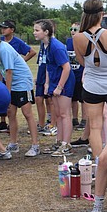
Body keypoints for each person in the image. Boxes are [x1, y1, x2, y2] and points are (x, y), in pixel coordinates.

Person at [73, 0, 107, 158]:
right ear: (101, 14)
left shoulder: (78, 37)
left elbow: (82, 61)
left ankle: (99, 160)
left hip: (92, 86)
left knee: (95, 126)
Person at [0, 21, 40, 157]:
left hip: (22, 82)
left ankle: (35, 145)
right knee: (11, 113)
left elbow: (9, 72)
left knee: (27, 113)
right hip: (11, 82)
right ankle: (13, 144)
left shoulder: (4, 48)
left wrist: (6, 94)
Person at [34, 19, 74, 157]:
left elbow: (66, 68)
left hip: (64, 83)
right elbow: (48, 66)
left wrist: (59, 87)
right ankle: (59, 142)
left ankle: (66, 144)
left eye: (37, 30)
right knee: (57, 114)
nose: (34, 33)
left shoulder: (56, 47)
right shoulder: (44, 45)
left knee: (64, 114)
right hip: (54, 81)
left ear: (46, 32)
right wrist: (47, 83)